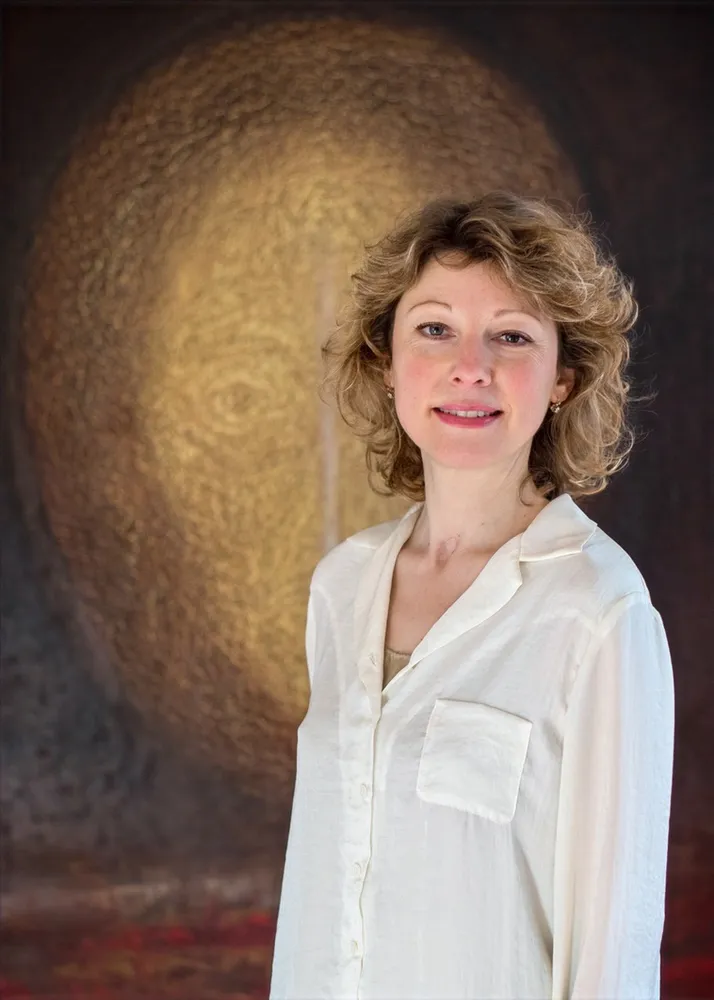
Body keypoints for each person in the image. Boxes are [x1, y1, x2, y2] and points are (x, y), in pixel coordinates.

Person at [269, 192, 675, 999]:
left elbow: (616, 947)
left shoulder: (598, 610)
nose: (470, 366)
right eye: (434, 329)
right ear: (387, 362)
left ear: (562, 378)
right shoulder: (342, 587)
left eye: (512, 336)